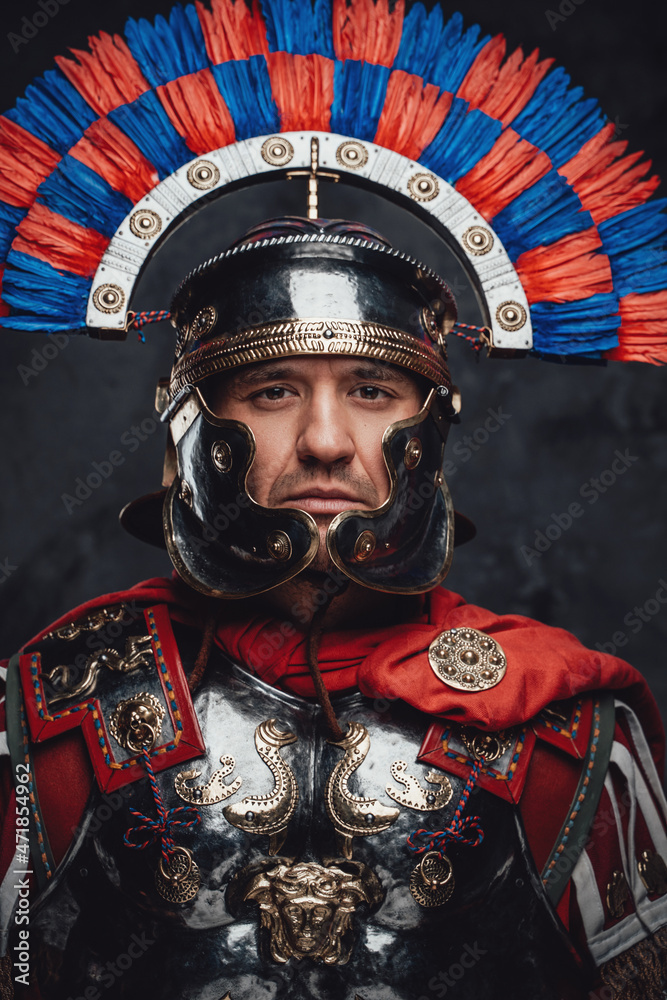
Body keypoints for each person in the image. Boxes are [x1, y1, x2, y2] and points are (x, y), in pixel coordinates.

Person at [0, 1, 665, 998]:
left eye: (370, 391)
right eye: (272, 392)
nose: (323, 439)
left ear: (429, 430)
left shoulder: (560, 727)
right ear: (191, 430)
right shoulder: (55, 707)